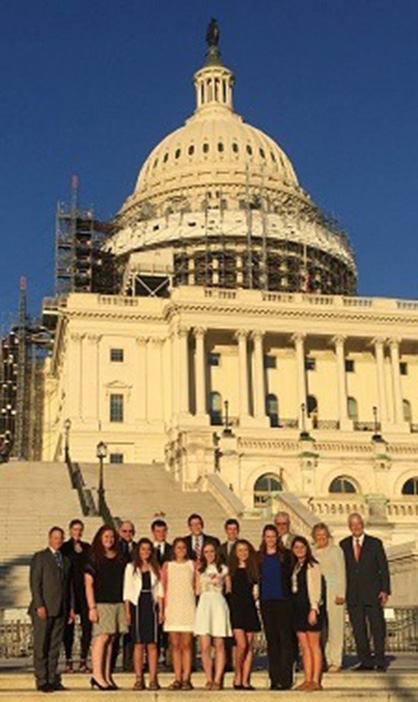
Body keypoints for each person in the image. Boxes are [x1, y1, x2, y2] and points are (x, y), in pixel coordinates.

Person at [340, 513, 390, 671]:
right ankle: (366, 661)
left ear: (363, 524)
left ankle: (380, 660)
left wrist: (385, 590)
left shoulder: (375, 543)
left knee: (377, 628)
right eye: (352, 524)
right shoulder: (344, 545)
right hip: (353, 595)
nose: (356, 527)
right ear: (349, 526)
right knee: (359, 630)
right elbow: (341, 571)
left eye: (358, 523)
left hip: (373, 593)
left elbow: (383, 568)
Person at [29, 526, 73, 693]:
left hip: (61, 609)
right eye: (55, 538)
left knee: (55, 646)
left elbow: (68, 587)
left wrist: (71, 608)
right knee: (41, 645)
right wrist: (39, 604)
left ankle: (52, 677)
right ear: (49, 539)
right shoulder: (40, 557)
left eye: (61, 538)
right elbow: (35, 583)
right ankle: (42, 679)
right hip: (44, 609)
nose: (58, 541)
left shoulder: (66, 560)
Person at [85, 525, 127, 691]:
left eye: (111, 537)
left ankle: (106, 675)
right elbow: (88, 584)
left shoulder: (120, 557)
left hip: (117, 602)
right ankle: (97, 676)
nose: (109, 540)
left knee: (110, 641)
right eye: (106, 537)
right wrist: (92, 607)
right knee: (101, 638)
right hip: (101, 603)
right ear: (100, 538)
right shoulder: (94, 558)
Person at [124, 538, 164, 690]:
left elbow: (160, 591)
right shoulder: (131, 567)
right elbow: (127, 591)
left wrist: (161, 610)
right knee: (139, 644)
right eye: (143, 549)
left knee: (152, 644)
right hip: (137, 604)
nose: (145, 552)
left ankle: (153, 678)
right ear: (138, 551)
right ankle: (139, 678)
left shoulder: (156, 568)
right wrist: (127, 612)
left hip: (151, 605)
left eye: (148, 549)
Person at [258, 524, 294, 691]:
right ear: (263, 538)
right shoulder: (259, 557)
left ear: (277, 538)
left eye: (273, 536)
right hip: (267, 602)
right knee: (272, 641)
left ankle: (286, 678)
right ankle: (275, 678)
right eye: (268, 536)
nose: (270, 539)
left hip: (283, 601)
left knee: (285, 640)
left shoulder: (285, 555)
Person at [195, 542, 232, 690]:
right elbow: (197, 590)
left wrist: (219, 584)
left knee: (219, 644)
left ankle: (217, 679)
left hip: (218, 605)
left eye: (211, 551)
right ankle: (209, 678)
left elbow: (228, 589)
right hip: (204, 605)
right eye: (206, 552)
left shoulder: (223, 569)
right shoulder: (199, 569)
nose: (209, 554)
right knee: (204, 645)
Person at [161, 537, 197, 690]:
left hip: (188, 607)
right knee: (175, 645)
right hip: (172, 607)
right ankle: (177, 677)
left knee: (187, 644)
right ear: (173, 550)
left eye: (183, 547)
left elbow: (196, 587)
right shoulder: (167, 566)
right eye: (178, 548)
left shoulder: (192, 565)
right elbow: (163, 589)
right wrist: (162, 610)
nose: (181, 550)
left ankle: (186, 678)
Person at [291, 536, 324, 692]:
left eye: (302, 547)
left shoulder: (313, 566)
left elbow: (316, 588)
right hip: (297, 609)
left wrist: (313, 609)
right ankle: (307, 679)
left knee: (314, 645)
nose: (299, 550)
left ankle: (316, 680)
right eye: (296, 547)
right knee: (304, 648)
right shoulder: (296, 566)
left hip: (310, 608)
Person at [312, 522, 346, 672]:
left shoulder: (335, 551)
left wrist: (341, 593)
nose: (321, 538)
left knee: (335, 628)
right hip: (318, 593)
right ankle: (324, 659)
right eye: (318, 535)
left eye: (323, 535)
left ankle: (336, 660)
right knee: (322, 629)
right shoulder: (312, 552)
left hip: (333, 592)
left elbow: (341, 573)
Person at [228, 539, 261, 690]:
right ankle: (238, 674)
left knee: (249, 646)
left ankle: (246, 679)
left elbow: (255, 589)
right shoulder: (230, 570)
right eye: (240, 550)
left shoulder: (253, 570)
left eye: (245, 550)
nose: (243, 553)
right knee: (241, 645)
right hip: (236, 609)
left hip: (249, 608)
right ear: (235, 552)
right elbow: (228, 591)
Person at [61, 519, 91, 674]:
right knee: (69, 627)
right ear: (70, 530)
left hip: (84, 592)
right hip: (69, 591)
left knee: (87, 627)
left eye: (80, 529)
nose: (77, 532)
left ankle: (83, 660)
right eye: (74, 529)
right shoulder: (65, 548)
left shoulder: (87, 548)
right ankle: (68, 661)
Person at [114, 520, 136, 672]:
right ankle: (112, 662)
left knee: (132, 631)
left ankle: (130, 662)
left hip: (133, 594)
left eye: (130, 531)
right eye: (125, 531)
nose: (127, 534)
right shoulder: (115, 548)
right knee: (115, 631)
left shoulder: (137, 548)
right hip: (116, 593)